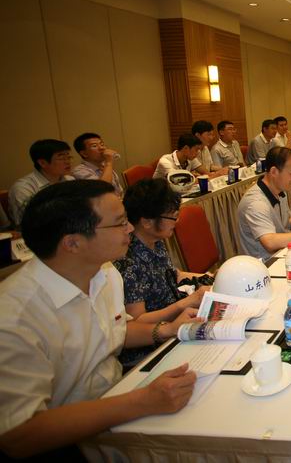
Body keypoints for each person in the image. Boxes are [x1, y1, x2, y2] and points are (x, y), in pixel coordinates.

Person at [0, 180, 200, 459]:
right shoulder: (15, 317)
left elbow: (117, 329)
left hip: (119, 396)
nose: (129, 229)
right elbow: (18, 435)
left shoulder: (105, 274)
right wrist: (143, 401)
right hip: (72, 438)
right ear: (72, 242)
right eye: (119, 223)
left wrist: (169, 330)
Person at [115, 179, 208, 369]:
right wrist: (186, 303)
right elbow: (137, 320)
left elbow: (172, 274)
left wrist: (208, 276)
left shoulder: (155, 241)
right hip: (150, 350)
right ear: (146, 222)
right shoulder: (129, 261)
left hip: (176, 325)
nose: (177, 221)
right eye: (171, 217)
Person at [8, 139, 75, 227]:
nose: (68, 162)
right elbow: (29, 221)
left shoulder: (70, 180)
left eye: (69, 157)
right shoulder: (23, 188)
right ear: (42, 163)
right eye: (61, 158)